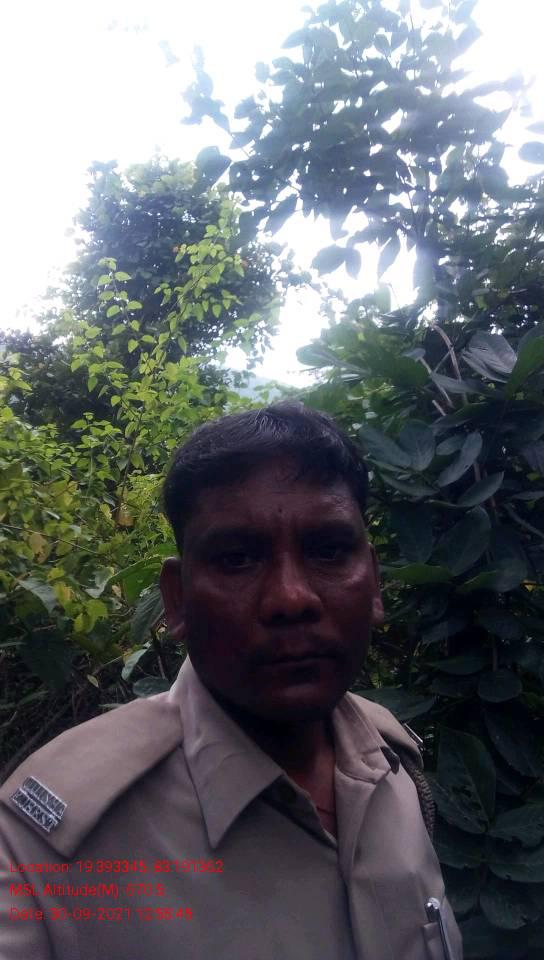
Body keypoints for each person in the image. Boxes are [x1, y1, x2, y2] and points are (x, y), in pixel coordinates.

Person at [0, 401, 462, 959]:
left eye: (329, 551)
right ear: (177, 600)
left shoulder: (395, 763)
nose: (291, 598)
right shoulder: (42, 848)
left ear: (374, 584)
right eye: (237, 559)